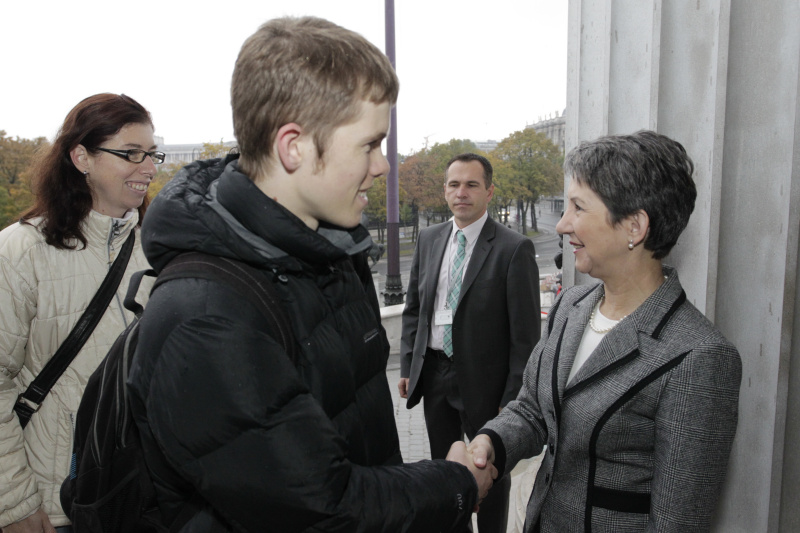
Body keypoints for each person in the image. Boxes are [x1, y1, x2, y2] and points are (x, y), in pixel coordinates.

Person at [126, 16, 494, 533]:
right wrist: (455, 484)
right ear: (293, 146)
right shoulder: (204, 318)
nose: (384, 165)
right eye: (369, 144)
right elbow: (322, 508)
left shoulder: (333, 251)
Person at [468, 130, 743, 532]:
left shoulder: (700, 358)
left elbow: (678, 523)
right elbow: (532, 410)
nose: (562, 224)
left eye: (578, 207)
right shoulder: (569, 307)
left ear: (634, 226)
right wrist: (490, 444)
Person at [0, 93, 159, 533]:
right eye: (131, 154)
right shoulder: (20, 252)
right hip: (55, 508)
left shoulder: (162, 250)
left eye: (152, 154)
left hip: (148, 502)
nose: (148, 167)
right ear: (81, 157)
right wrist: (14, 505)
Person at [399, 153, 541, 532]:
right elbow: (415, 308)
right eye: (453, 184)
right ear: (444, 191)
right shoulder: (429, 239)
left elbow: (525, 337)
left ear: (489, 191)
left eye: (471, 184)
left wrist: (512, 398)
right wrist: (408, 365)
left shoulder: (514, 248)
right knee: (444, 468)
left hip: (486, 383)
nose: (461, 192)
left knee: (489, 468)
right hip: (434, 374)